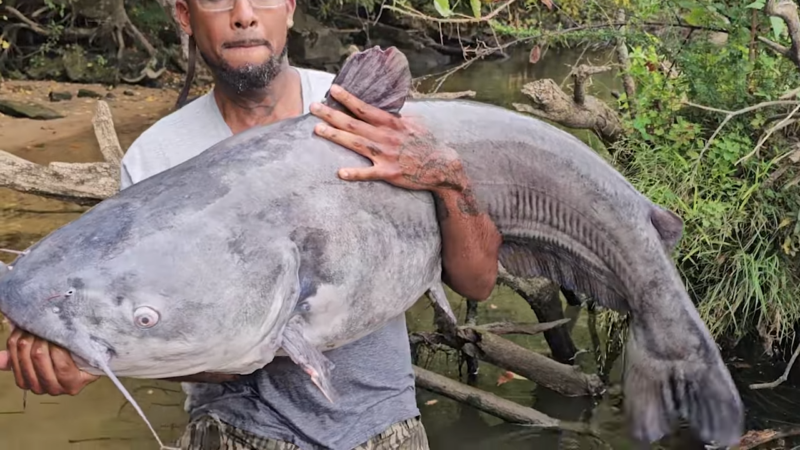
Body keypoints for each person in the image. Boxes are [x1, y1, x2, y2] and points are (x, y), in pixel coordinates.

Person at [0, 0, 502, 449]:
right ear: (184, 15)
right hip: (231, 432)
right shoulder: (156, 155)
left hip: (384, 427)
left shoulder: (373, 120)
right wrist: (87, 355)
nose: (243, 14)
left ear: (289, 7)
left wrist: (452, 180)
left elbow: (477, 284)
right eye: (219, 0)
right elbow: (161, 318)